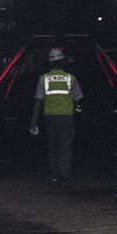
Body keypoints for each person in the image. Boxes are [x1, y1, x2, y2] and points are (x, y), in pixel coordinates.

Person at [37, 47, 79, 181]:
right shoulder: (70, 78)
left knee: (53, 146)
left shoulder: (43, 79)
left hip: (49, 116)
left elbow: (38, 100)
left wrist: (34, 119)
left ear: (50, 62)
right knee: (65, 146)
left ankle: (54, 174)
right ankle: (64, 174)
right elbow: (77, 99)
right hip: (66, 116)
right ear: (62, 61)